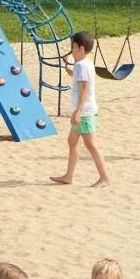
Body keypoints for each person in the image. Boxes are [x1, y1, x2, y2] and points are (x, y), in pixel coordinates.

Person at [51, 31, 110, 187]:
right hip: (82, 111)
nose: (71, 49)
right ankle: (68, 176)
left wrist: (78, 111)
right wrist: (66, 65)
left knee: (91, 145)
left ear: (81, 48)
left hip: (85, 112)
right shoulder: (83, 64)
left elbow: (84, 90)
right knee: (72, 142)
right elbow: (74, 75)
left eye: (73, 47)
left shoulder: (83, 66)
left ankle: (104, 178)